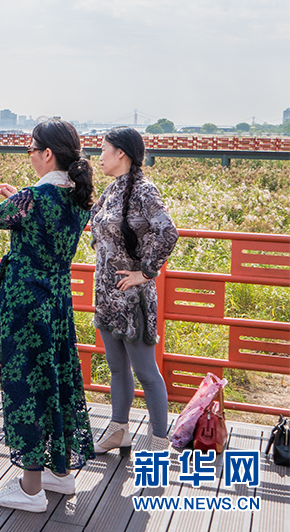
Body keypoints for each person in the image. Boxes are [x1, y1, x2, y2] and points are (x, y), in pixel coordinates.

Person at [0, 118, 96, 512]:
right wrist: (17, 197)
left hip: (25, 304)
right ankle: (60, 472)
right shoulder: (76, 196)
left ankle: (31, 487)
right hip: (56, 302)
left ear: (48, 154)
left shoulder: (33, 198)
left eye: (31, 149)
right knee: (55, 380)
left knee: (26, 386)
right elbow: (34, 221)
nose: (30, 155)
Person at [91, 127, 178, 454]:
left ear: (121, 154)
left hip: (133, 299)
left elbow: (168, 232)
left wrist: (145, 272)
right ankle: (119, 429)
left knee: (146, 371)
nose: (99, 156)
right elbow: (95, 220)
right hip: (107, 294)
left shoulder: (145, 191)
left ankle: (159, 441)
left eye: (104, 149)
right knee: (116, 368)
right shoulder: (112, 189)